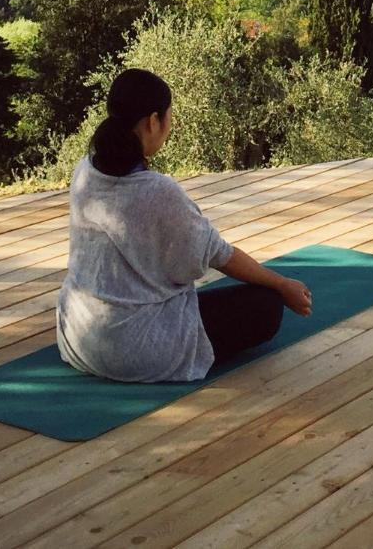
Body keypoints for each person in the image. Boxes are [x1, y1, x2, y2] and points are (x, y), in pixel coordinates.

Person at [56, 68, 312, 383]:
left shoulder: (85, 171)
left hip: (77, 335)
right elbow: (219, 254)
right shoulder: (157, 190)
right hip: (132, 350)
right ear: (153, 121)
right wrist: (281, 284)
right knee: (265, 306)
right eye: (168, 117)